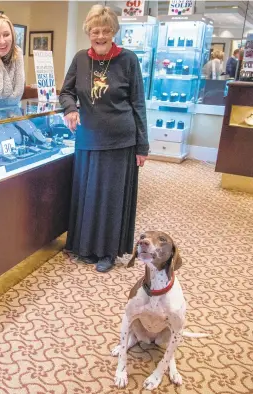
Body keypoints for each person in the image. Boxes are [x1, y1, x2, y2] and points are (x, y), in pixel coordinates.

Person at [60, 5, 149, 273]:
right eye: (95, 31)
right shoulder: (80, 59)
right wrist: (71, 109)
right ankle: (85, 248)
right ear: (89, 32)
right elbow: (66, 92)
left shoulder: (128, 60)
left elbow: (138, 103)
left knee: (110, 198)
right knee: (87, 195)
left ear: (114, 32)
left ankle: (108, 252)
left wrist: (142, 145)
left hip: (120, 141)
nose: (100, 36)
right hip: (87, 139)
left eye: (106, 31)